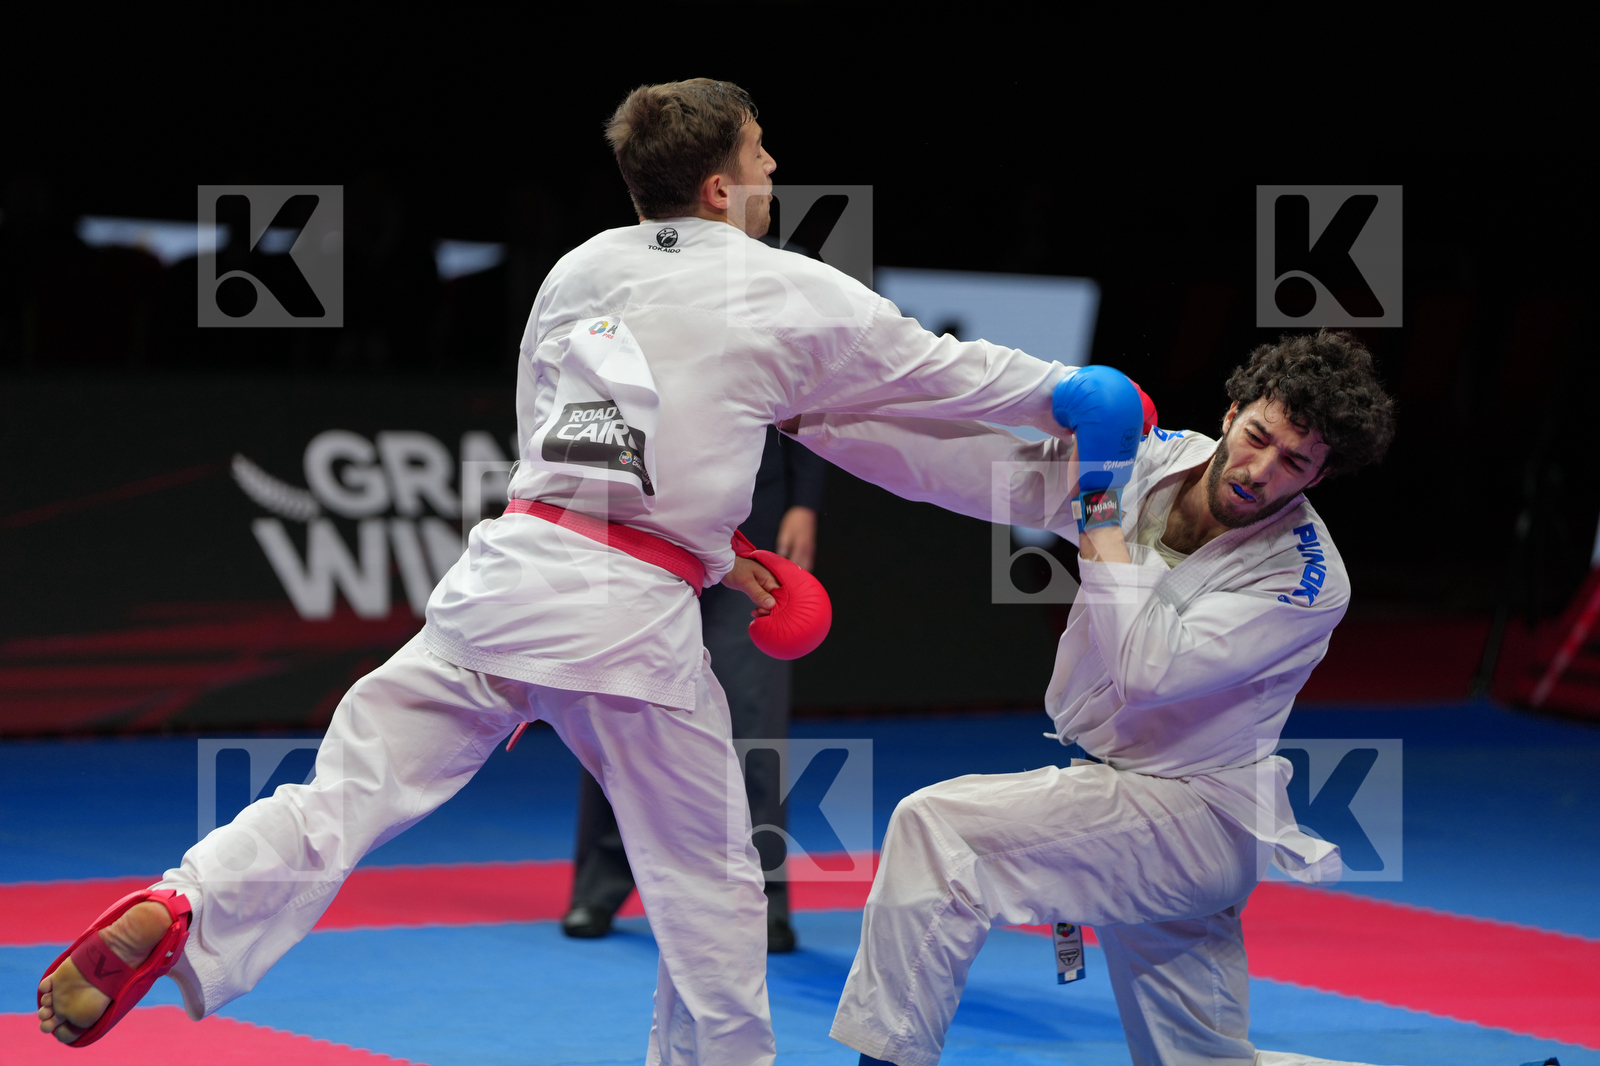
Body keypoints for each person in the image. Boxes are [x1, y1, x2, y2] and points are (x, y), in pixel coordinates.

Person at [36, 78, 1081, 1065]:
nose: (775, 168)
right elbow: (942, 373)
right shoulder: (787, 286)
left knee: (341, 796)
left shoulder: (575, 269)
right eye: (762, 153)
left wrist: (720, 553)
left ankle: (189, 901)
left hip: (507, 577)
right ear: (720, 183)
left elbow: (580, 442)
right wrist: (1070, 392)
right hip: (627, 625)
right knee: (709, 881)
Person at [786, 331, 1434, 1066]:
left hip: (1195, 817)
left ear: (1317, 478)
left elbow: (1148, 671)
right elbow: (966, 470)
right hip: (1130, 801)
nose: (1260, 470)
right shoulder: (1146, 462)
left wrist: (1097, 512)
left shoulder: (1306, 580)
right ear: (1230, 413)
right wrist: (810, 421)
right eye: (1258, 437)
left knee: (938, 829)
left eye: (1294, 462)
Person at [561, 426, 825, 952]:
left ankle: (763, 898)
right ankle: (600, 883)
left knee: (752, 712)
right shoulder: (621, 339)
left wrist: (805, 501)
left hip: (751, 514)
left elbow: (801, 395)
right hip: (643, 516)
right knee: (623, 698)